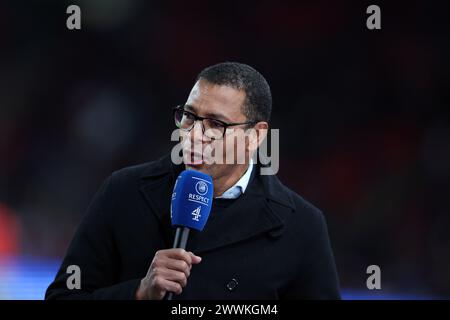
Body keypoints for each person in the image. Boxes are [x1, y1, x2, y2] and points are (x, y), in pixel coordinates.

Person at [46, 62, 340, 300]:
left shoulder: (301, 226)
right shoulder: (123, 192)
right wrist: (137, 293)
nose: (195, 135)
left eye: (216, 124)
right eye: (189, 116)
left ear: (256, 135)